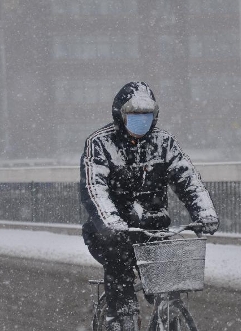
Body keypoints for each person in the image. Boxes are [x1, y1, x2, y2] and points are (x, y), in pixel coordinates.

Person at [80, 81, 219, 331]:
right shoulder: (99, 144)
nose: (141, 120)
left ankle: (169, 318)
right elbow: (94, 188)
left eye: (146, 114)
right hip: (112, 234)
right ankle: (118, 320)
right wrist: (111, 223)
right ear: (120, 115)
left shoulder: (163, 143)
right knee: (120, 277)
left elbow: (188, 180)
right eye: (134, 114)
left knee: (168, 288)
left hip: (154, 232)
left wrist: (204, 212)